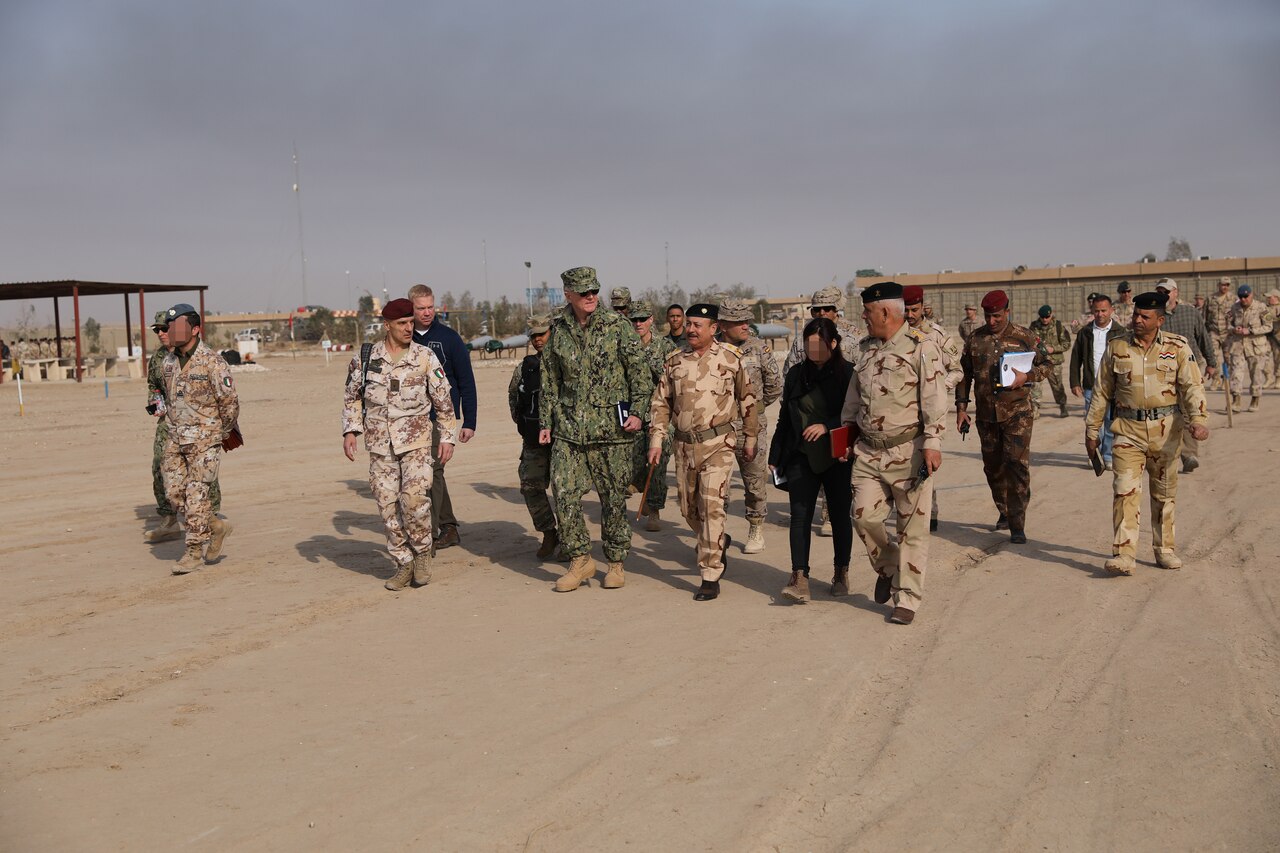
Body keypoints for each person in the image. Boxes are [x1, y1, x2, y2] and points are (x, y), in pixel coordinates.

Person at [540, 266, 653, 592]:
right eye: (584, 292)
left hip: (611, 432)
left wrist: (639, 413)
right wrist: (547, 422)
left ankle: (615, 561)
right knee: (563, 493)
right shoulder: (558, 329)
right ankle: (580, 559)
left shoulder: (618, 327)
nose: (591, 297)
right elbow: (549, 378)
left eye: (594, 291)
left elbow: (640, 375)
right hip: (569, 430)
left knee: (613, 499)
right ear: (568, 294)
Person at [840, 282, 947, 624]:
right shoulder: (866, 349)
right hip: (869, 451)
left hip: (909, 451)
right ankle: (888, 566)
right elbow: (854, 397)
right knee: (862, 516)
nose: (864, 317)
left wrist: (933, 442)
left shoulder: (921, 347)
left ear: (885, 311)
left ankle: (909, 599)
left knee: (911, 528)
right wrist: (845, 433)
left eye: (867, 311)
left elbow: (934, 398)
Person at [1086, 291, 1209, 575]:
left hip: (1166, 431)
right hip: (1127, 430)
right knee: (1124, 490)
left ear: (1160, 320)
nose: (1137, 320)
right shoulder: (1117, 347)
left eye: (1145, 316)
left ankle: (1164, 549)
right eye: (1136, 315)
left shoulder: (1178, 347)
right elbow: (1102, 391)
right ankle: (1124, 555)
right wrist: (1092, 430)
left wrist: (1199, 418)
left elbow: (1192, 386)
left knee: (1163, 493)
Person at [343, 299, 458, 590]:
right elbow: (352, 397)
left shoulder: (425, 357)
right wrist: (350, 431)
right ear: (387, 326)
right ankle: (403, 562)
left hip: (417, 443)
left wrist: (447, 437)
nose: (409, 328)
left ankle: (421, 553)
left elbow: (443, 402)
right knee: (387, 506)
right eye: (402, 324)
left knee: (415, 501)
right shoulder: (367, 357)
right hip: (380, 445)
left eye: (411, 322)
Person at [648, 303, 759, 601]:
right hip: (684, 446)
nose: (692, 329)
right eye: (690, 324)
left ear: (715, 329)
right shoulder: (674, 361)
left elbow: (747, 399)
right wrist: (656, 440)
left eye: (699, 325)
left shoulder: (732, 359)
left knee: (712, 506)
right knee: (689, 509)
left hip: (718, 444)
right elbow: (661, 404)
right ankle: (716, 539)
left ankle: (710, 573)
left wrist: (750, 438)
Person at [956, 290, 1052, 544]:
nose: (992, 321)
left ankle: (1017, 523)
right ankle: (1004, 510)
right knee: (993, 467)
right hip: (986, 416)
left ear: (1007, 312)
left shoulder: (1024, 336)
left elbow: (1047, 364)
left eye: (996, 316)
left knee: (1016, 465)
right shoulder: (975, 339)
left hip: (1017, 413)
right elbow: (964, 375)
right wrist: (961, 408)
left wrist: (1027, 377)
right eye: (988, 316)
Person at [769, 318, 854, 602]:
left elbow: (854, 416)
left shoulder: (848, 375)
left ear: (833, 344)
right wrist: (775, 453)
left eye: (818, 345)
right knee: (800, 516)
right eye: (808, 345)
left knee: (841, 515)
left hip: (837, 455)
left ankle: (841, 571)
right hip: (800, 454)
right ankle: (799, 576)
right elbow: (785, 416)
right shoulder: (795, 375)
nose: (813, 350)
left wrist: (827, 426)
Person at [159, 303, 238, 574]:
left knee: (196, 494)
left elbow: (229, 402)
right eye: (170, 327)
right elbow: (169, 398)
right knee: (174, 493)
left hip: (205, 438)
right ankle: (216, 526)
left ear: (194, 329)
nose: (171, 331)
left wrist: (220, 433)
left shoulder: (212, 361)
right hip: (175, 437)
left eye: (177, 326)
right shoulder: (168, 362)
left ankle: (193, 551)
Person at [783, 285, 864, 537]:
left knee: (839, 467)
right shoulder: (803, 340)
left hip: (842, 411)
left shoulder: (855, 338)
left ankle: (834, 513)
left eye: (826, 309)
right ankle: (828, 513)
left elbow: (860, 379)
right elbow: (790, 372)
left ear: (836, 310)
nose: (820, 313)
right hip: (809, 410)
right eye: (815, 309)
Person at [409, 284, 476, 548]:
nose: (427, 313)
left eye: (430, 307)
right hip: (411, 419)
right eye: (421, 308)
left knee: (433, 471)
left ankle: (430, 532)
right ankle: (449, 527)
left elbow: (466, 381)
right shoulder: (405, 337)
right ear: (411, 308)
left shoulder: (449, 338)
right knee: (430, 474)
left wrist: (469, 421)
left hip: (441, 417)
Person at [145, 310, 221, 544]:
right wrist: (154, 399)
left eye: (164, 329)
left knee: (201, 475)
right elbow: (153, 384)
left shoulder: (204, 357)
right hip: (169, 424)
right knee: (162, 470)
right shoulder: (159, 358)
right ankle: (170, 520)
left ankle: (210, 518)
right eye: (157, 330)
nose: (160, 333)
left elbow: (225, 398)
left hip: (199, 426)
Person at [717, 297, 782, 553]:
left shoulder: (758, 348)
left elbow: (774, 385)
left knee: (754, 480)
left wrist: (753, 410)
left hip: (750, 427)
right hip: (719, 427)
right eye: (738, 321)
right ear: (723, 325)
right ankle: (716, 530)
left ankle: (756, 526)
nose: (745, 325)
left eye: (747, 320)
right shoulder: (713, 350)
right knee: (717, 483)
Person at [903, 285, 961, 531]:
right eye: (905, 309)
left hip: (928, 413)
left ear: (922, 307)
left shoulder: (937, 335)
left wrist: (939, 386)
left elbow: (957, 370)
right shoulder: (895, 334)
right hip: (901, 412)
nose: (910, 315)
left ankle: (930, 513)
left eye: (914, 309)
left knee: (926, 462)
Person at [508, 314, 561, 558]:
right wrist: (526, 425)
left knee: (564, 492)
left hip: (563, 440)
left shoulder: (565, 363)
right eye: (534, 336)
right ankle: (549, 532)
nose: (538, 339)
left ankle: (571, 540)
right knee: (530, 486)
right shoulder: (526, 367)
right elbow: (514, 398)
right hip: (533, 440)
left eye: (543, 334)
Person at [1154, 278, 1216, 473]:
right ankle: (1167, 453)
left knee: (1190, 410)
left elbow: (1203, 337)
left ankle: (1189, 454)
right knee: (1166, 413)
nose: (1163, 296)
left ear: (1175, 293)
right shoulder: (1155, 314)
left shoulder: (1190, 312)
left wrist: (1211, 362)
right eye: (1160, 292)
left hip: (1190, 368)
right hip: (1162, 371)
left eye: (1166, 292)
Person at [627, 300, 677, 531]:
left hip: (661, 414)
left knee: (657, 464)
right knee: (636, 463)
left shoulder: (664, 347)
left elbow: (673, 379)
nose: (638, 323)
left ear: (650, 320)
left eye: (642, 319)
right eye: (634, 319)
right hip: (635, 414)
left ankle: (654, 510)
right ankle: (645, 493)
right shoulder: (626, 346)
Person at [1069, 294, 1126, 469]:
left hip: (1112, 385)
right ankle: (1095, 453)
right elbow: (1075, 358)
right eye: (1096, 311)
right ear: (1092, 312)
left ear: (1111, 311)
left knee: (1110, 422)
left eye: (1103, 310)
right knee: (1093, 421)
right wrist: (1074, 382)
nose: (1100, 314)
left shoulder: (1120, 332)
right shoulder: (1085, 332)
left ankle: (1108, 455)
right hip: (1091, 385)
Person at [783, 285, 864, 374]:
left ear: (836, 310)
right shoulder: (801, 338)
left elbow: (862, 370)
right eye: (817, 309)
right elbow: (790, 370)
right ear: (812, 312)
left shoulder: (853, 334)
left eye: (827, 308)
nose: (822, 313)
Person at [1227, 283, 1271, 412]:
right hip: (1238, 345)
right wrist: (1234, 329)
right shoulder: (1234, 308)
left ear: (1251, 295)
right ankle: (1236, 400)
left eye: (1246, 296)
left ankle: (1255, 399)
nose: (1243, 299)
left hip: (1256, 346)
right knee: (1236, 373)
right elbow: (1228, 325)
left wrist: (1251, 331)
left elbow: (1269, 326)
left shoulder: (1261, 307)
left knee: (1256, 373)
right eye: (1241, 297)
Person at [1028, 304, 1072, 418]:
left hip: (1054, 363)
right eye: (1042, 317)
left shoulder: (1058, 326)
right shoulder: (1034, 326)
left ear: (1051, 314)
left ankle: (1062, 406)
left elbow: (1067, 344)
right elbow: (1029, 342)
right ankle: (1035, 409)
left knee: (1057, 386)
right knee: (1035, 385)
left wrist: (1053, 349)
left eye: (1047, 317)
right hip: (1039, 362)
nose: (1045, 320)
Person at [1204, 277, 1235, 390]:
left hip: (1228, 333)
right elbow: (1205, 316)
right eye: (1223, 285)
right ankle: (1215, 379)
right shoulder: (1211, 299)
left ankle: (1226, 380)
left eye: (1227, 285)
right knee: (1214, 356)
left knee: (1228, 357)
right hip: (1214, 332)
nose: (1225, 287)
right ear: (1219, 285)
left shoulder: (1233, 299)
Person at [1266, 290, 1280, 388]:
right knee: (1264, 357)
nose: (1268, 299)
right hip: (1266, 336)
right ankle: (1268, 378)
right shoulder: (1265, 308)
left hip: (1277, 336)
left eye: (1270, 297)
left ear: (1276, 297)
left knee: (1277, 357)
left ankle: (1278, 379)